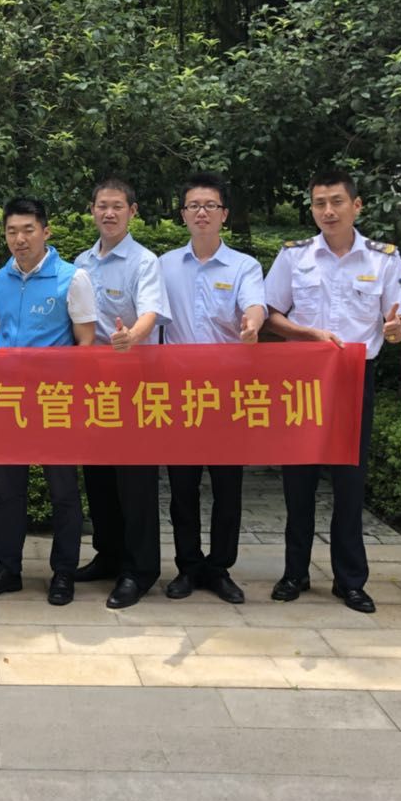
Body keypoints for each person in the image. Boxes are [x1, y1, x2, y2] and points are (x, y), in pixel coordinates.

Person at [264, 169, 401, 614]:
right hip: (302, 380)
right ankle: (295, 572)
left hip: (353, 379)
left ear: (356, 205)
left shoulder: (383, 259)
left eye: (336, 202)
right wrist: (306, 333)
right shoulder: (294, 256)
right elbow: (270, 314)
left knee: (350, 483)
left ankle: (350, 580)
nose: (327, 211)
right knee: (298, 481)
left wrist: (396, 329)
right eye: (319, 203)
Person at [0, 197, 96, 605]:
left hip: (55, 403)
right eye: (12, 231)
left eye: (28, 230)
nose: (19, 239)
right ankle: (7, 569)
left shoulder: (73, 279)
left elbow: (86, 344)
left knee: (63, 492)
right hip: (10, 402)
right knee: (8, 491)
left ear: (45, 232)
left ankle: (64, 572)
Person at [158, 173, 266, 604]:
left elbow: (254, 304)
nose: (201, 212)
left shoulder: (243, 266)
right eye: (193, 206)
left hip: (227, 394)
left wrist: (252, 323)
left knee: (227, 487)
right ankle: (188, 566)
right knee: (182, 488)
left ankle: (219, 568)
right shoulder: (164, 265)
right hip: (179, 395)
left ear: (224, 214)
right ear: (183, 215)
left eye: (210, 205)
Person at [72, 177, 171, 610]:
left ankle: (139, 569)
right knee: (98, 477)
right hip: (92, 383)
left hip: (135, 383)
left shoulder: (145, 261)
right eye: (101, 206)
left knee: (135, 481)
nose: (108, 213)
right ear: (92, 210)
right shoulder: (81, 262)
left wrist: (132, 335)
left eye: (117, 206)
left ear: (132, 211)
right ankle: (108, 555)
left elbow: (150, 312)